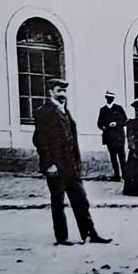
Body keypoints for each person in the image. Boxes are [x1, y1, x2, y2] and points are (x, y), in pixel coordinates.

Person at [32, 78, 111, 245]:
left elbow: (72, 139)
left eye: (65, 91)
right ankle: (62, 237)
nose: (63, 94)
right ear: (50, 92)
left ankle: (90, 234)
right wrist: (48, 164)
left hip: (71, 165)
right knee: (58, 202)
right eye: (59, 90)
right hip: (56, 166)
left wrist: (77, 162)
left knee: (81, 200)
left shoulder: (65, 111)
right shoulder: (44, 111)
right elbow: (40, 140)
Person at [96, 90, 127, 182]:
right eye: (108, 97)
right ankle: (116, 175)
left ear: (114, 98)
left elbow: (125, 120)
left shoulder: (119, 108)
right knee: (113, 157)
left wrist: (116, 123)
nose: (110, 99)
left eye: (111, 97)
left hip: (119, 137)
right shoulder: (103, 110)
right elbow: (99, 123)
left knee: (122, 157)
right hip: (109, 137)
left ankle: (125, 176)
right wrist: (103, 127)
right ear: (106, 98)